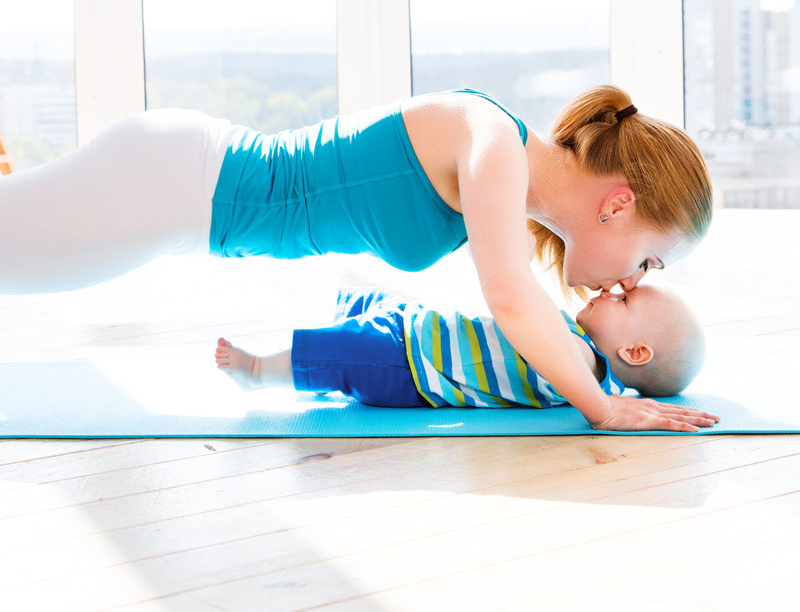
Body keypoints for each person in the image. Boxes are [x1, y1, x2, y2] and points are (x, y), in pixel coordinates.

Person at [0, 86, 715, 431]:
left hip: (185, 197)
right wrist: (605, 408)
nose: (635, 279)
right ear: (619, 203)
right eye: (650, 261)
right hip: (175, 186)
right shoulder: (496, 146)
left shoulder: (503, 165)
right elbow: (510, 298)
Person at [213, 284, 717, 431]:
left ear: (634, 351)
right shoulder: (582, 353)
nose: (610, 290)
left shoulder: (582, 366)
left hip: (414, 369)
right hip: (420, 331)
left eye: (624, 301)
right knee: (366, 303)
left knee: (344, 352)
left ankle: (259, 373)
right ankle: (327, 363)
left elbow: (523, 297)